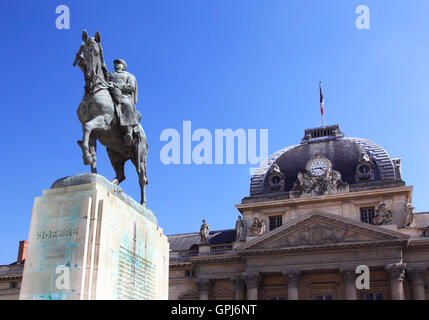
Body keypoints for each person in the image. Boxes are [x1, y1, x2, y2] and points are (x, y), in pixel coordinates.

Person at [108, 59, 141, 145]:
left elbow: (132, 86)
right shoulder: (109, 75)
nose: (116, 65)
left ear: (123, 66)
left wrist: (117, 85)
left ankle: (128, 131)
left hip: (124, 96)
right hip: (110, 94)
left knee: (126, 104)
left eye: (118, 63)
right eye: (115, 64)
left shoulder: (129, 75)